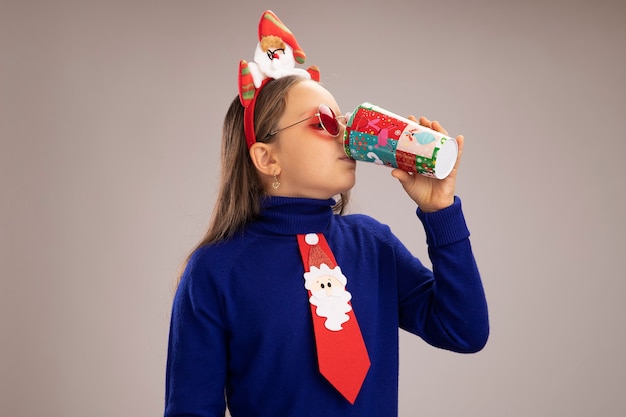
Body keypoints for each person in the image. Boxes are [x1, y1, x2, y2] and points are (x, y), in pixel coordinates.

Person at [164, 10, 488, 417]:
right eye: (324, 122)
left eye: (345, 121)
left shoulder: (373, 244)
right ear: (267, 158)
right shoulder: (215, 271)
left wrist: (441, 211)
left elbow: (465, 330)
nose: (346, 135)